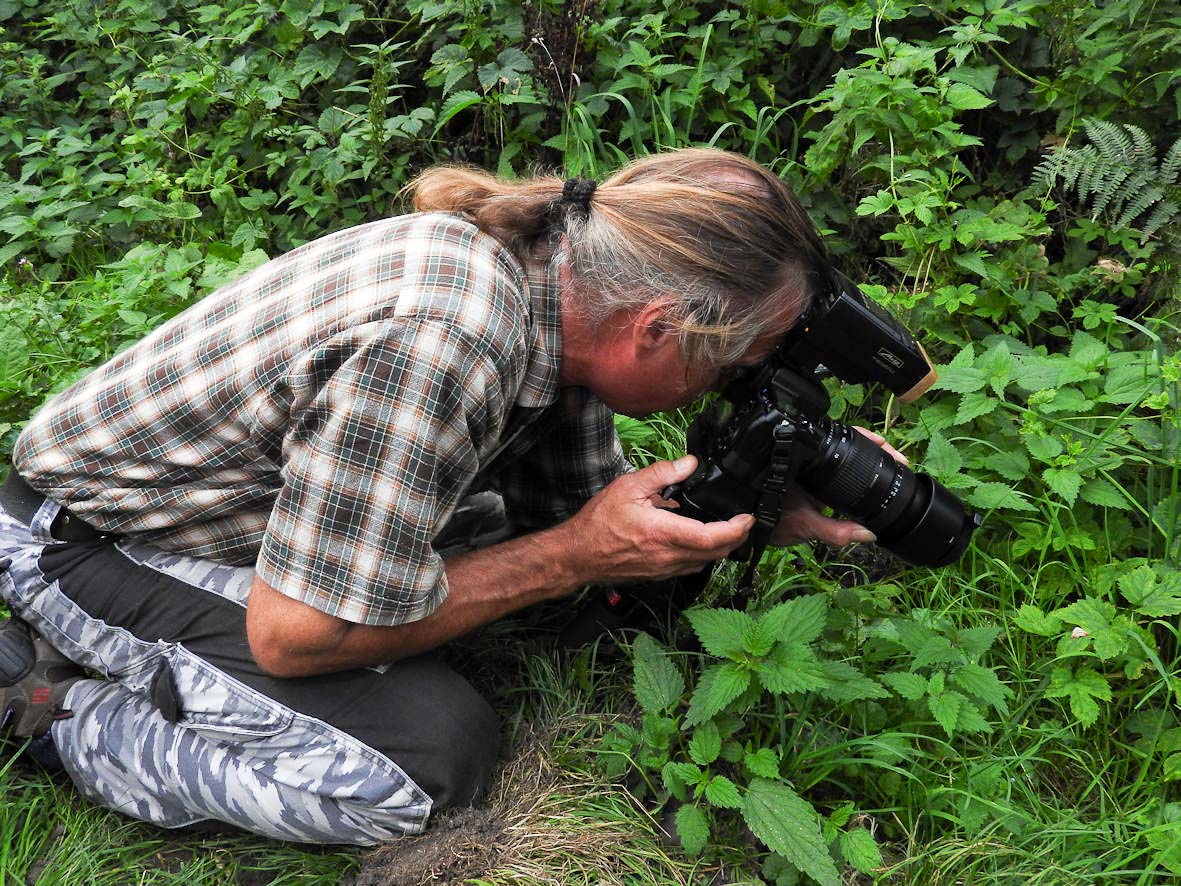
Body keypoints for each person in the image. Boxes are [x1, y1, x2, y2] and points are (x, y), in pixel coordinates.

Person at [0, 148, 888, 844]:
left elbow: (571, 507)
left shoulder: (557, 276)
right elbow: (296, 639)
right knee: (422, 759)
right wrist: (570, 557)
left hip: (225, 516)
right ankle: (51, 704)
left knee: (483, 555)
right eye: (733, 367)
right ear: (656, 330)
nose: (732, 389)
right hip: (80, 538)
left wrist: (755, 507)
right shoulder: (447, 340)